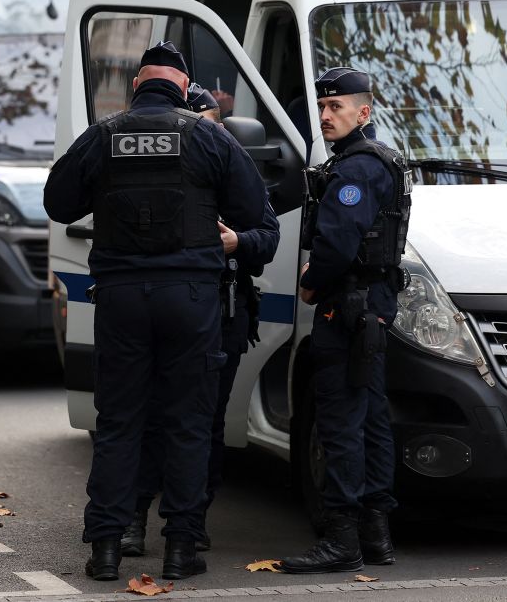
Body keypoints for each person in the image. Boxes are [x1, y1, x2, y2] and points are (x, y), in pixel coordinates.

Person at [44, 42, 268, 582]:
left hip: (121, 300)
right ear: (185, 87)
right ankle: (181, 547)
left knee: (120, 421)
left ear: (137, 86)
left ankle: (105, 547)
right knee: (188, 422)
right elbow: (263, 229)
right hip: (191, 301)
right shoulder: (210, 136)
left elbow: (57, 203)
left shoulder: (104, 136)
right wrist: (238, 243)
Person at [123, 82, 281, 556]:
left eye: (211, 126)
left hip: (221, 310)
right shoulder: (149, 177)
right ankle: (133, 517)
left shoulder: (235, 171)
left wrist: (238, 243)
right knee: (148, 417)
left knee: (204, 422)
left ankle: (189, 519)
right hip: (161, 310)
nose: (210, 138)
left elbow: (267, 235)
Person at [279, 67, 411, 574]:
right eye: (323, 107)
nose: (327, 116)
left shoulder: (355, 169)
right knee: (372, 419)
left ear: (365, 112)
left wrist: (314, 280)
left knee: (340, 424)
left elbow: (336, 243)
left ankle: (342, 540)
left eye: (337, 107)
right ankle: (376, 536)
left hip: (347, 306)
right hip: (372, 306)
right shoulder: (382, 159)